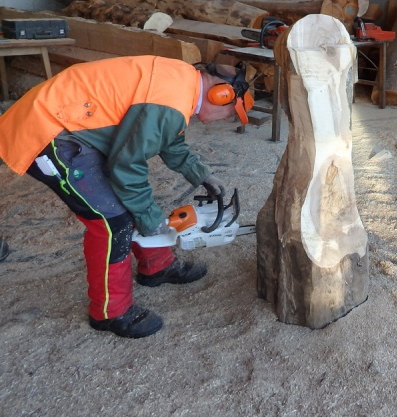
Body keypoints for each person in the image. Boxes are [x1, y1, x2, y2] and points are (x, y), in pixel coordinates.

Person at [0, 56, 254, 338]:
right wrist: (149, 218)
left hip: (76, 123)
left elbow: (169, 139)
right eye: (231, 113)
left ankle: (157, 266)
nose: (227, 119)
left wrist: (201, 174)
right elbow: (127, 166)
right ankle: (111, 312)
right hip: (49, 132)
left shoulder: (183, 85)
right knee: (112, 222)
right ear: (221, 95)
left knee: (132, 198)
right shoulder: (170, 103)